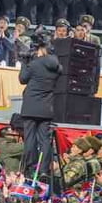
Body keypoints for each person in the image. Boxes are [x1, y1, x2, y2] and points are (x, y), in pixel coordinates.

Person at [18, 34, 62, 178]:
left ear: (43, 49)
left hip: (31, 106)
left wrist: (25, 62)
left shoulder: (36, 63)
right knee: (44, 140)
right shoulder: (57, 67)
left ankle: (31, 167)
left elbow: (23, 79)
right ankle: (43, 170)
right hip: (46, 108)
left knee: (30, 138)